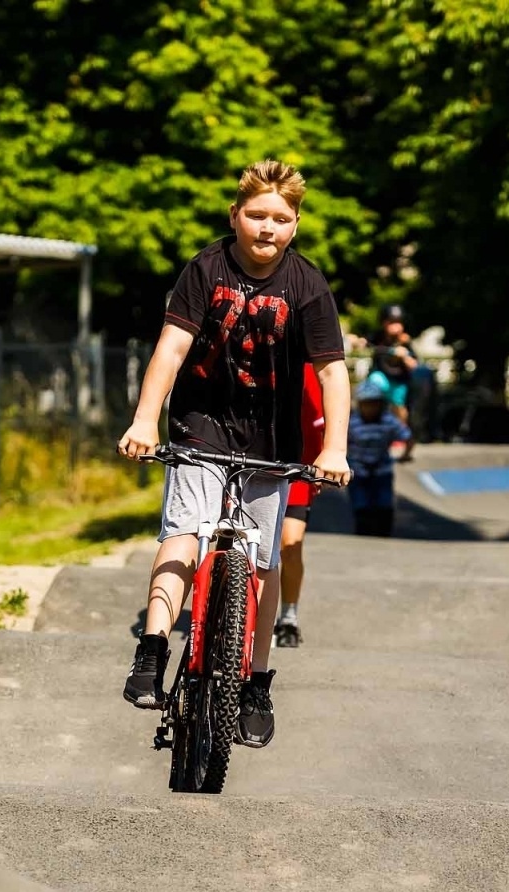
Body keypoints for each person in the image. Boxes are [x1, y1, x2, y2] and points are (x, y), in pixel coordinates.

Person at [117, 159, 352, 749]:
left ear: (295, 225)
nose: (267, 228)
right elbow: (171, 350)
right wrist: (146, 420)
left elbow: (333, 371)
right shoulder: (206, 268)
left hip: (273, 435)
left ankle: (256, 683)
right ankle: (152, 649)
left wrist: (335, 448)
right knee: (185, 531)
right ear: (235, 216)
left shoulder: (308, 286)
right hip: (202, 423)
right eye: (256, 216)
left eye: (281, 218)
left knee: (264, 563)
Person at [274, 361, 326, 649]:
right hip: (255, 461)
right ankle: (243, 616)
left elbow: (318, 423)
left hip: (296, 467)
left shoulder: (307, 367)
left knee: (290, 544)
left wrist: (321, 463)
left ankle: (289, 618)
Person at [348, 378, 410, 537]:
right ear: (359, 405)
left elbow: (407, 437)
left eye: (374, 403)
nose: (371, 408)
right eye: (367, 404)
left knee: (384, 503)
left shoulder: (388, 421)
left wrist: (406, 454)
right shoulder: (352, 422)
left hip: (381, 469)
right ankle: (363, 529)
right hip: (358, 470)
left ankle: (384, 530)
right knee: (361, 504)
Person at [367, 305, 418, 460]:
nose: (396, 327)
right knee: (373, 384)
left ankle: (400, 435)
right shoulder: (378, 337)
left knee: (399, 406)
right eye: (392, 323)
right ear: (384, 323)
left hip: (398, 382)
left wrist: (404, 356)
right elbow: (364, 343)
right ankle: (372, 421)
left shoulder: (405, 341)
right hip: (382, 377)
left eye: (398, 323)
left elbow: (414, 364)